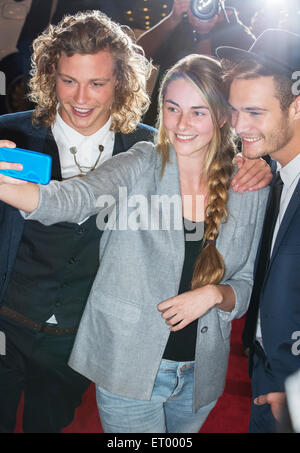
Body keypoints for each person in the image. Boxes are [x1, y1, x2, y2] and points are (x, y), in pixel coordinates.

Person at [0, 53, 269, 433]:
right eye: (173, 108)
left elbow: (245, 283)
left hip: (200, 376)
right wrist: (7, 185)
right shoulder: (142, 161)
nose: (182, 123)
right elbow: (74, 197)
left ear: (222, 116)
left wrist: (212, 295)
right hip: (129, 366)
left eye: (198, 112)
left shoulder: (249, 186)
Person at [0, 10, 156, 433]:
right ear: (51, 77)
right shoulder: (11, 135)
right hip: (4, 324)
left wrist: (254, 168)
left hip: (79, 337)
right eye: (69, 81)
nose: (81, 98)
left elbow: (211, 170)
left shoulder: (149, 146)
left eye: (97, 83)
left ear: (121, 82)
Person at [217, 28, 300, 433]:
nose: (238, 125)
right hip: (265, 371)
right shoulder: (274, 174)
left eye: (254, 113)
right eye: (234, 111)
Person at [137, 0, 255, 126]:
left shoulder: (241, 36)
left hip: (205, 131)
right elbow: (138, 54)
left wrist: (203, 35)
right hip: (159, 124)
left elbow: (212, 85)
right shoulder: (181, 22)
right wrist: (172, 19)